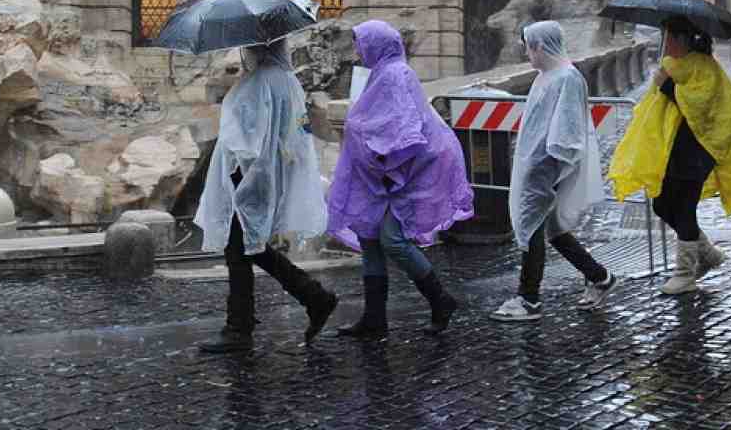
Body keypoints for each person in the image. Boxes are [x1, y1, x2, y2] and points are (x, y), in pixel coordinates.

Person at [324, 21, 472, 338]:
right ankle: (374, 318)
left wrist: (385, 162)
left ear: (376, 44)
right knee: (369, 235)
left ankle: (440, 300)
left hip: (408, 169)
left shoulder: (394, 74)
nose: (357, 50)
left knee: (392, 239)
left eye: (361, 43)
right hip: (384, 171)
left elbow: (405, 129)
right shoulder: (381, 73)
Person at [194, 38, 337, 353]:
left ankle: (240, 328)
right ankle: (312, 297)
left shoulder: (258, 83)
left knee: (239, 249)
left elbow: (245, 139)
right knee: (250, 246)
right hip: (269, 174)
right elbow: (296, 130)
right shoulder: (287, 80)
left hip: (247, 176)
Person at [609, 18, 731, 295]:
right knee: (662, 205)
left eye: (669, 37)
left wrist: (666, 85)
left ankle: (685, 274)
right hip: (676, 149)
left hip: (699, 150)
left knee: (684, 207)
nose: (665, 43)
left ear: (682, 40)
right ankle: (707, 253)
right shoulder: (673, 65)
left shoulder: (704, 66)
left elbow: (698, 105)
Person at [491, 21, 613, 322]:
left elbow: (566, 129)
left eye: (528, 47)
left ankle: (529, 298)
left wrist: (543, 164)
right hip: (538, 164)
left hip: (546, 166)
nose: (526, 53)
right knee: (554, 231)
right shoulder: (547, 76)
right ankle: (599, 276)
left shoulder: (566, 77)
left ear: (540, 46)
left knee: (531, 225)